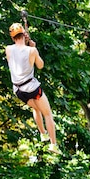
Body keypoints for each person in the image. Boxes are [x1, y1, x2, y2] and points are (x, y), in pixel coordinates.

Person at [5, 22, 59, 154]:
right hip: (32, 88)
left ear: (12, 38)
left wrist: (26, 44)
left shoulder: (8, 49)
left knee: (36, 108)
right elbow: (40, 65)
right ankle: (53, 144)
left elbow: (17, 54)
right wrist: (33, 48)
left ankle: (42, 133)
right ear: (24, 34)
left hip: (18, 90)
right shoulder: (32, 50)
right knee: (47, 113)